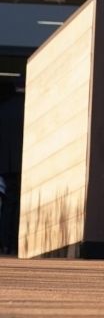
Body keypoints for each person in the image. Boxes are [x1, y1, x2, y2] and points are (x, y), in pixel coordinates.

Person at [0, 75, 26, 256]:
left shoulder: (2, 109)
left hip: (6, 163)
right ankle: (17, 242)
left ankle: (5, 243)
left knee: (9, 202)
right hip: (24, 161)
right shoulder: (29, 108)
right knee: (21, 202)